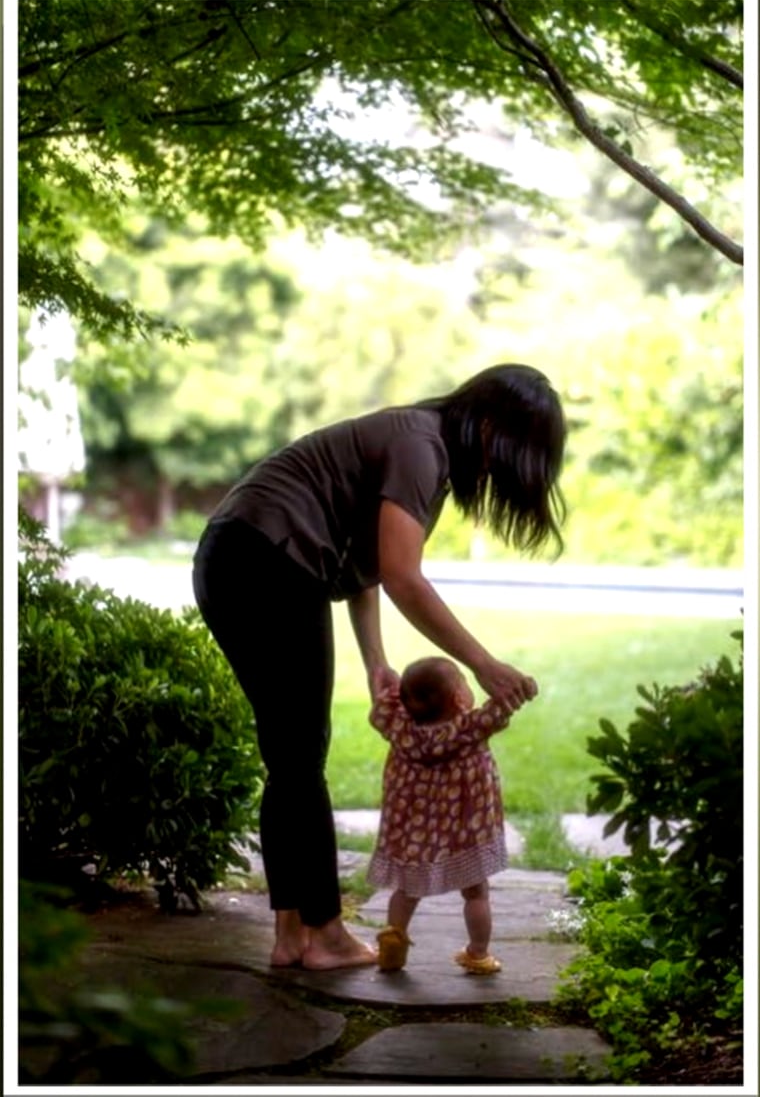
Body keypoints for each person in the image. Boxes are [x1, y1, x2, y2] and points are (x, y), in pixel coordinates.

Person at [192, 363, 566, 971]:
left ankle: (292, 935)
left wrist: (376, 662)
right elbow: (402, 577)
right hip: (267, 562)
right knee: (300, 755)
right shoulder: (423, 448)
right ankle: (327, 935)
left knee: (289, 756)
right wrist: (485, 665)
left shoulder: (415, 441)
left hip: (235, 558)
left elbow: (361, 566)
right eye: (518, 451)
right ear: (493, 425)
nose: (508, 469)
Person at [367, 656, 513, 974]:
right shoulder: (469, 729)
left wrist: (391, 693)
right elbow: (502, 708)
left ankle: (392, 946)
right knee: (476, 891)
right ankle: (478, 954)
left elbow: (379, 714)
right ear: (459, 697)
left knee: (406, 888)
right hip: (464, 829)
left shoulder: (402, 729)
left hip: (415, 827)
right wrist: (519, 687)